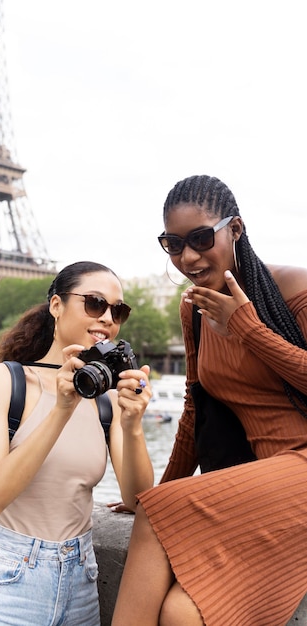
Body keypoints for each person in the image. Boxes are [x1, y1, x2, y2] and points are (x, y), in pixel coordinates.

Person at [111, 175, 307, 626]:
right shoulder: (193, 309)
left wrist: (247, 328)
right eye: (174, 244)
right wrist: (155, 491)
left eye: (201, 238)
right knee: (181, 613)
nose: (190, 257)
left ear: (235, 229)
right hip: (264, 483)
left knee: (157, 518)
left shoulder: (292, 286)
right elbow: (195, 409)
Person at [0, 260, 154, 626]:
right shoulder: (6, 380)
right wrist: (61, 409)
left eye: (118, 311)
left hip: (81, 582)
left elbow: (137, 499)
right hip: (7, 582)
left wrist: (132, 425)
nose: (107, 319)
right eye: (95, 303)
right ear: (56, 305)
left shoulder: (108, 401)